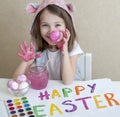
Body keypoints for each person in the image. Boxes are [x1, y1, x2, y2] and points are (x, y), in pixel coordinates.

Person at [13, 0, 83, 84]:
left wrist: (64, 52)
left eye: (57, 25)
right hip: (47, 92)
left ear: (67, 26)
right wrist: (25, 61)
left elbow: (67, 82)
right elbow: (16, 79)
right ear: (38, 27)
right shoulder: (36, 47)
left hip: (69, 92)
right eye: (45, 25)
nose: (52, 31)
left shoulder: (73, 47)